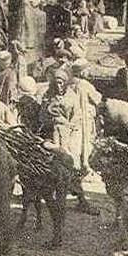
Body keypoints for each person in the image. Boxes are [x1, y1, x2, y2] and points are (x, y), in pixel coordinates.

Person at [40, 68, 99, 214]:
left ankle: (81, 201)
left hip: (69, 135)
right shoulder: (48, 95)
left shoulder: (72, 97)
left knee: (70, 167)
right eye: (56, 83)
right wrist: (51, 118)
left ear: (66, 83)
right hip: (51, 134)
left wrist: (70, 132)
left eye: (61, 83)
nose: (59, 86)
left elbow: (77, 118)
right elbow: (41, 116)